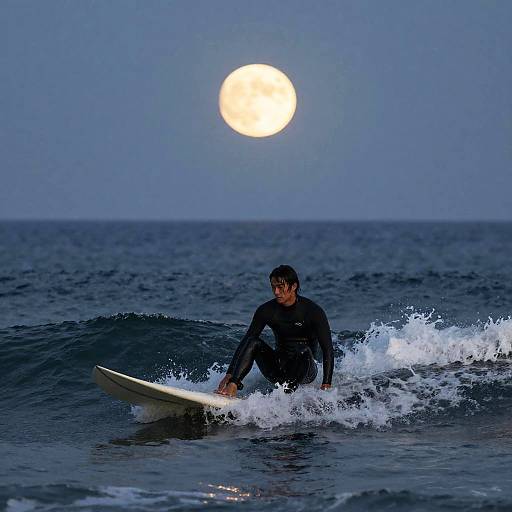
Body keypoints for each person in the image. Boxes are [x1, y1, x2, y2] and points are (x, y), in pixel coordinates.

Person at [216, 265, 334, 397]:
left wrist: (326, 384)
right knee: (253, 341)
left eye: (280, 287)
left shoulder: (313, 311)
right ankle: (233, 386)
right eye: (273, 287)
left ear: (293, 286)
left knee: (303, 350)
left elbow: (327, 349)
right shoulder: (267, 310)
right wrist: (230, 373)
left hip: (305, 372)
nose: (276, 292)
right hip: (279, 369)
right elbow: (246, 341)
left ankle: (286, 395)